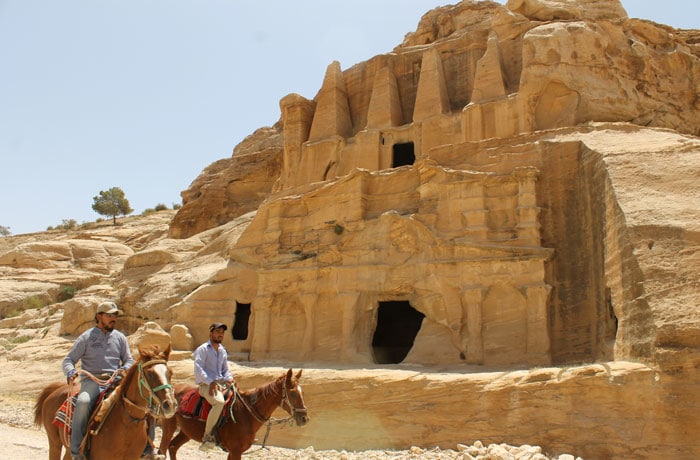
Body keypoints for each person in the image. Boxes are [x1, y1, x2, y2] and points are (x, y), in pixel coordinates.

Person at [62, 301, 134, 460]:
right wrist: (71, 372)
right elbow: (68, 360)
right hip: (92, 381)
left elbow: (129, 360)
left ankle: (148, 448)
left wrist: (124, 369)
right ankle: (76, 452)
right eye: (109, 315)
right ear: (98, 316)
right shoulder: (86, 337)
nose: (113, 318)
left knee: (143, 402)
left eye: (115, 315)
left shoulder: (120, 337)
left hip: (116, 381)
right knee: (83, 403)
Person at [193, 322, 235, 453]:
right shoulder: (203, 349)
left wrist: (230, 378)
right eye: (217, 332)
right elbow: (198, 369)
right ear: (210, 333)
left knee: (238, 399)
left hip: (220, 383)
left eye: (222, 332)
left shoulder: (222, 350)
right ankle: (207, 437)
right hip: (206, 385)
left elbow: (225, 370)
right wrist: (210, 382)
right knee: (219, 402)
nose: (220, 334)